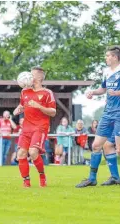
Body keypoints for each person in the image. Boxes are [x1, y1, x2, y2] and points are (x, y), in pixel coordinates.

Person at [76, 46, 120, 188]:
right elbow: (103, 89)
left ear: (115, 57)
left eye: (108, 56)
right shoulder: (107, 72)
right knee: (97, 145)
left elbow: (115, 92)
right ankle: (93, 179)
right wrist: (93, 92)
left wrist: (117, 93)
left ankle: (115, 177)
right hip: (108, 113)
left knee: (117, 148)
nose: (106, 58)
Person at [13, 66, 56, 187]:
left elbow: (53, 112)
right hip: (26, 128)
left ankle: (42, 175)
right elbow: (21, 106)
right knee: (21, 154)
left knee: (32, 152)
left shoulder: (47, 93)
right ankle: (26, 181)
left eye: (31, 74)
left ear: (39, 77)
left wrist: (39, 107)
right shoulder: (24, 91)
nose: (29, 76)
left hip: (40, 127)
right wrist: (17, 110)